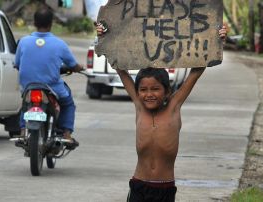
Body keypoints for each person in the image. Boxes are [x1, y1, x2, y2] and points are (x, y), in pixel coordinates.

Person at [96, 23, 227, 201]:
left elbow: (196, 71)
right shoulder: (139, 107)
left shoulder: (174, 107)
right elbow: (120, 69)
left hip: (164, 189)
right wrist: (104, 36)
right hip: (138, 186)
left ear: (167, 91)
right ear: (137, 92)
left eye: (155, 89)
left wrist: (216, 41)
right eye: (143, 90)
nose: (149, 94)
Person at [15, 7, 83, 149]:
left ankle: (22, 131)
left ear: (34, 22)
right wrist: (78, 68)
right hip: (52, 87)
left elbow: (17, 64)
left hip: (28, 87)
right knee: (68, 104)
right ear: (51, 23)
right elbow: (73, 64)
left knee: (25, 104)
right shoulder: (60, 44)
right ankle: (66, 134)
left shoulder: (23, 42)